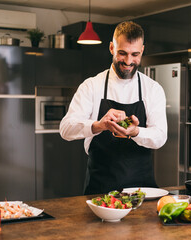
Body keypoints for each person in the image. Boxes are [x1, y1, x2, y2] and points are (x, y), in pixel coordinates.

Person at [60, 21, 167, 195]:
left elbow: (160, 137)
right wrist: (99, 125)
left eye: (135, 54)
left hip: (142, 189)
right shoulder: (92, 86)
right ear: (111, 48)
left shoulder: (152, 89)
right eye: (122, 53)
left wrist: (135, 132)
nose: (128, 61)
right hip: (100, 189)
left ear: (142, 51)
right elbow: (65, 129)